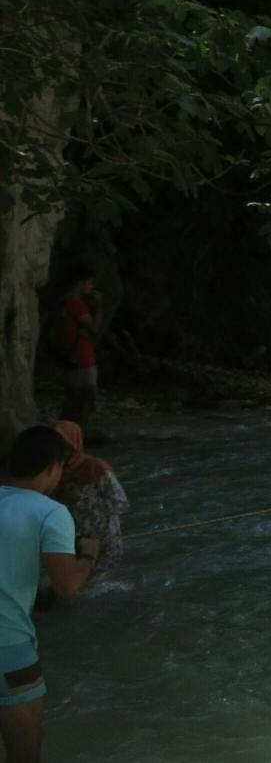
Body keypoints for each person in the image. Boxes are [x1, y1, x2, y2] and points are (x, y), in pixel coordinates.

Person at [0, 427, 98, 761]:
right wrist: (88, 555)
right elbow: (67, 585)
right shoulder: (50, 512)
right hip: (8, 647)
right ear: (52, 468)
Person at [50, 422, 124, 587]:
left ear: (74, 444)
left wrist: (87, 506)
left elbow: (120, 502)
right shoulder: (54, 471)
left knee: (98, 587)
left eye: (64, 445)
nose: (59, 450)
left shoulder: (96, 467)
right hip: (73, 538)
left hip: (104, 538)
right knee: (75, 583)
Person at [51, 273, 99, 430]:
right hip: (82, 356)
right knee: (85, 400)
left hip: (70, 355)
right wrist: (99, 306)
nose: (92, 287)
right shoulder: (77, 305)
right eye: (90, 283)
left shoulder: (62, 304)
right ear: (80, 283)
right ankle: (77, 438)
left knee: (72, 400)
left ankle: (64, 436)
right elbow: (94, 328)